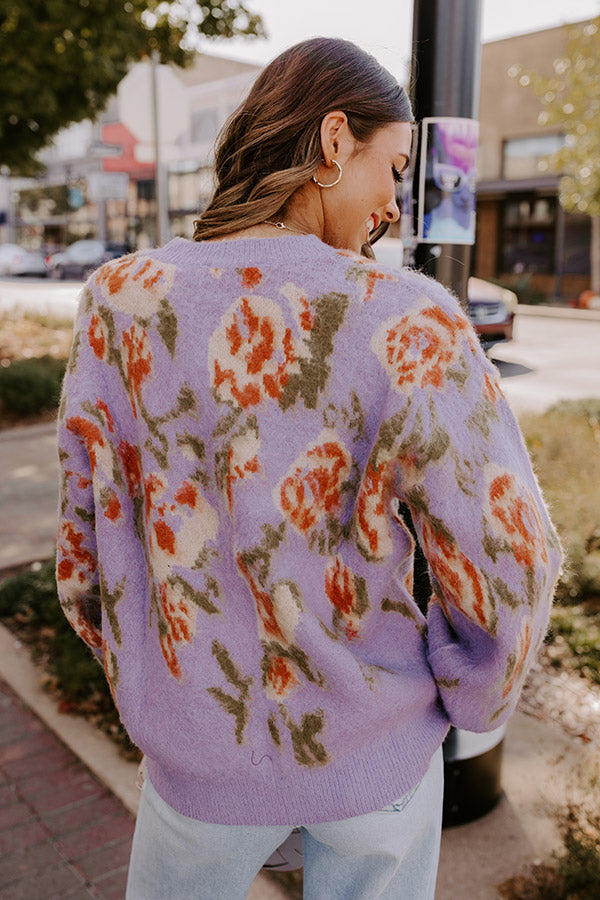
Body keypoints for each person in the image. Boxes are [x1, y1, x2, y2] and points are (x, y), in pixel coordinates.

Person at [56, 37, 562, 900]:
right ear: (334, 141)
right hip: (375, 752)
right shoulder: (407, 318)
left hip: (196, 756)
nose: (394, 204)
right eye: (392, 169)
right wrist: (468, 695)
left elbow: (85, 550)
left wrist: (151, 689)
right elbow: (511, 556)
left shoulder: (119, 302)